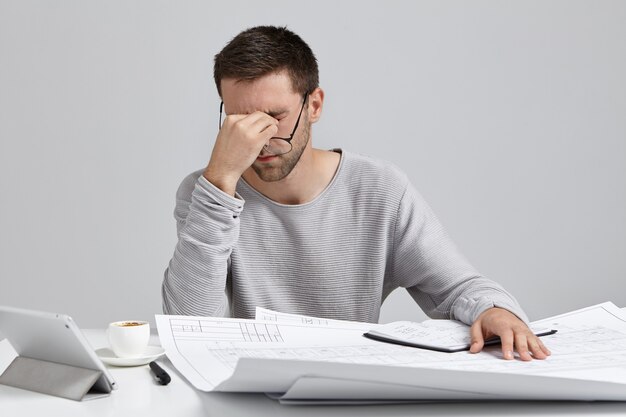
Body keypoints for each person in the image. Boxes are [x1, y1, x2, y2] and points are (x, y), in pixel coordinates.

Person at [162, 25, 550, 361]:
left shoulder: (378, 188)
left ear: (313, 105)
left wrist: (497, 310)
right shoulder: (211, 191)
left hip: (351, 392)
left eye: (275, 118)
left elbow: (459, 287)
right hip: (248, 394)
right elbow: (189, 326)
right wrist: (220, 180)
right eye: (239, 120)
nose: (260, 139)